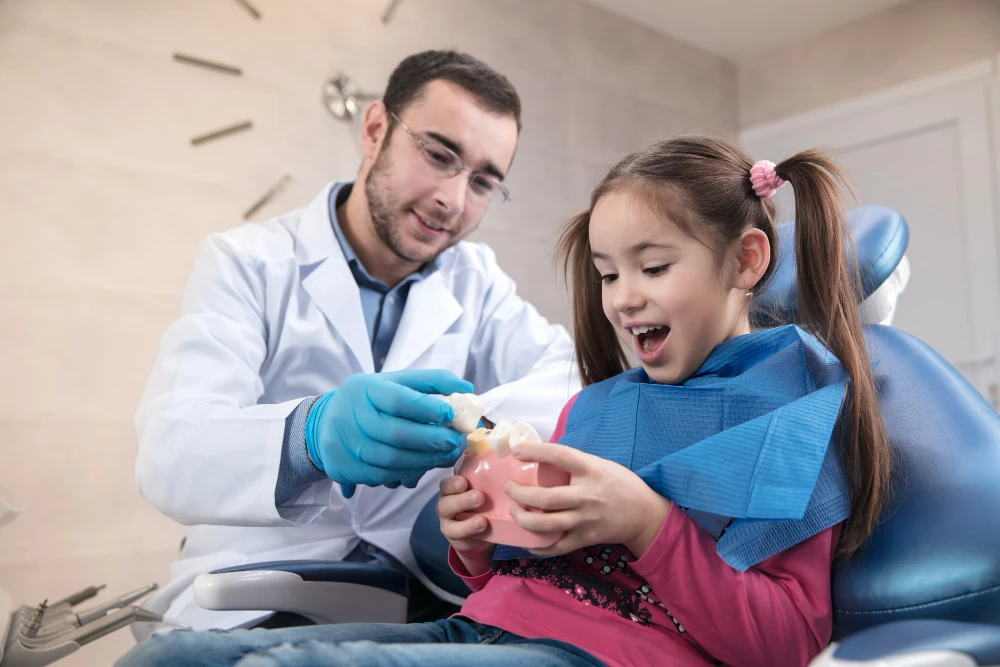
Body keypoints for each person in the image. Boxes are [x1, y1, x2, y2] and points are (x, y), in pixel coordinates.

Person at [118, 136, 892, 667]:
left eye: (651, 266)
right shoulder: (601, 404)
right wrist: (476, 543)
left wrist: (649, 523)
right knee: (171, 652)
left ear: (747, 259)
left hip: (604, 654)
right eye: (606, 272)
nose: (622, 299)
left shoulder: (789, 416)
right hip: (487, 624)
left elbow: (788, 645)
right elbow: (520, 582)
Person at [133, 50, 579, 634]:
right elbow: (171, 453)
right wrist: (307, 437)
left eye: (483, 181)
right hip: (260, 585)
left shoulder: (476, 280)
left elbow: (572, 374)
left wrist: (477, 428)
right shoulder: (249, 262)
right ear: (374, 131)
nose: (454, 199)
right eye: (439, 155)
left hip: (417, 585)